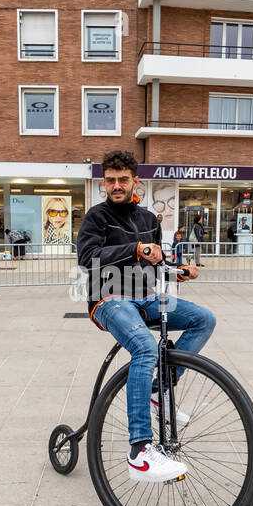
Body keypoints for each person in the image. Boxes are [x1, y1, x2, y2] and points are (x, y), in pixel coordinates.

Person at [77, 150, 215, 483]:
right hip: (109, 299)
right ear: (103, 182)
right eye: (110, 180)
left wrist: (178, 271)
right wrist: (134, 250)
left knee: (204, 319)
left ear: (135, 181)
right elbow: (87, 257)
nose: (116, 185)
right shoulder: (97, 217)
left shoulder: (149, 220)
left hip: (146, 297)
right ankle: (140, 451)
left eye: (123, 179)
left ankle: (160, 389)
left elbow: (156, 264)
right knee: (144, 346)